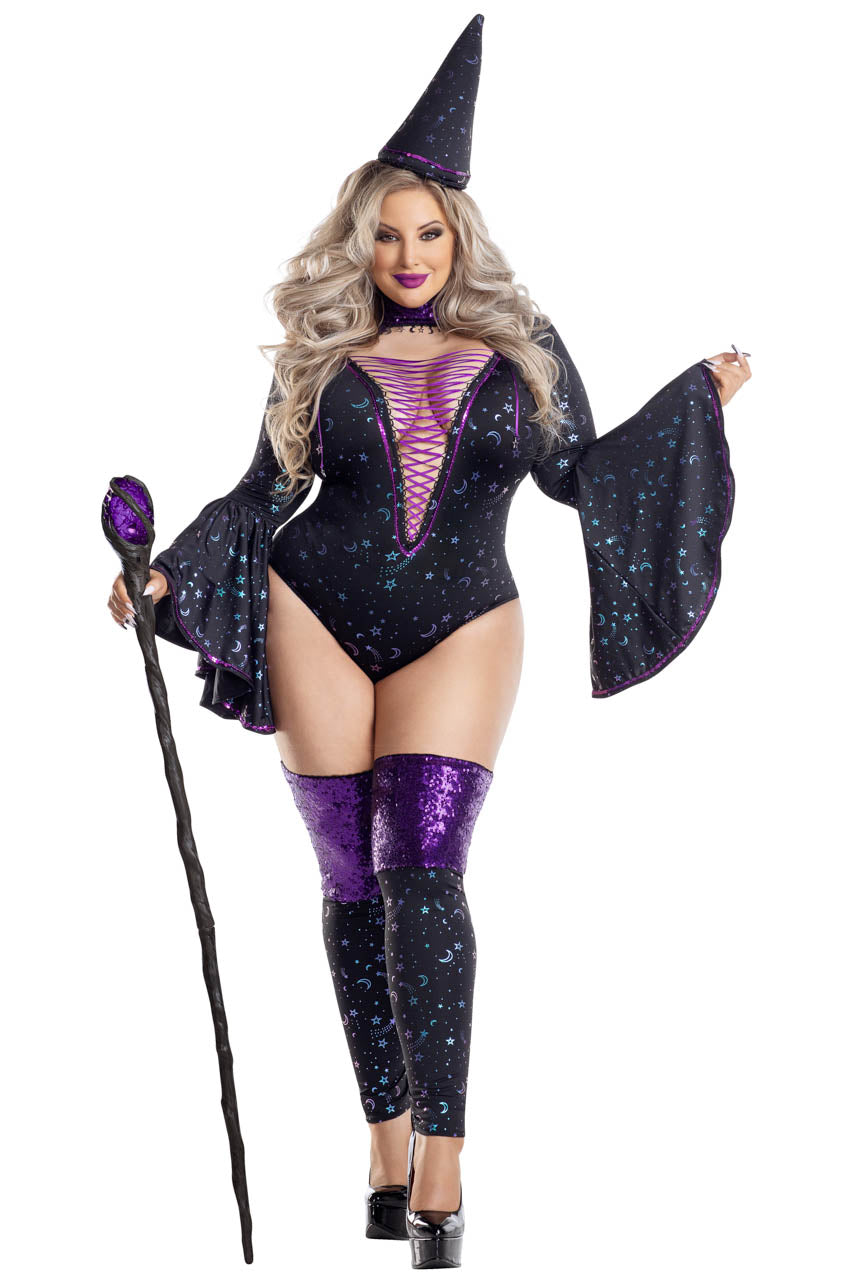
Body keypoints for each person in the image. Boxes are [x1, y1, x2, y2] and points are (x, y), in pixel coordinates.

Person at [106, 14, 749, 1269]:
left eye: (429, 233)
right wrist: (169, 570)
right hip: (313, 610)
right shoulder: (320, 351)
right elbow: (262, 492)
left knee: (426, 873)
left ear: (460, 237)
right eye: (388, 235)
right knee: (351, 881)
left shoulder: (524, 345)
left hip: (465, 623)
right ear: (363, 242)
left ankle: (443, 1160)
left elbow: (578, 477)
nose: (408, 255)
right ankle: (384, 1141)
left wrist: (693, 409)